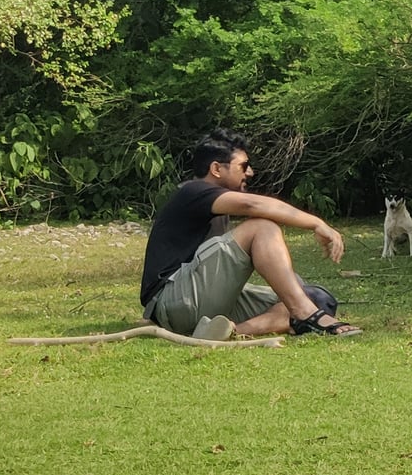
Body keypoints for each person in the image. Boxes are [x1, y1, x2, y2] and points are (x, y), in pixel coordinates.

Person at [139, 128, 360, 339]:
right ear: (216, 169)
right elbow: (252, 205)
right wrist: (316, 223)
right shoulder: (192, 191)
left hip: (197, 303)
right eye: (243, 166)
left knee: (317, 298)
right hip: (172, 301)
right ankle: (304, 314)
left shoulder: (215, 206)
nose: (250, 172)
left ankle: (232, 331)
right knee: (262, 227)